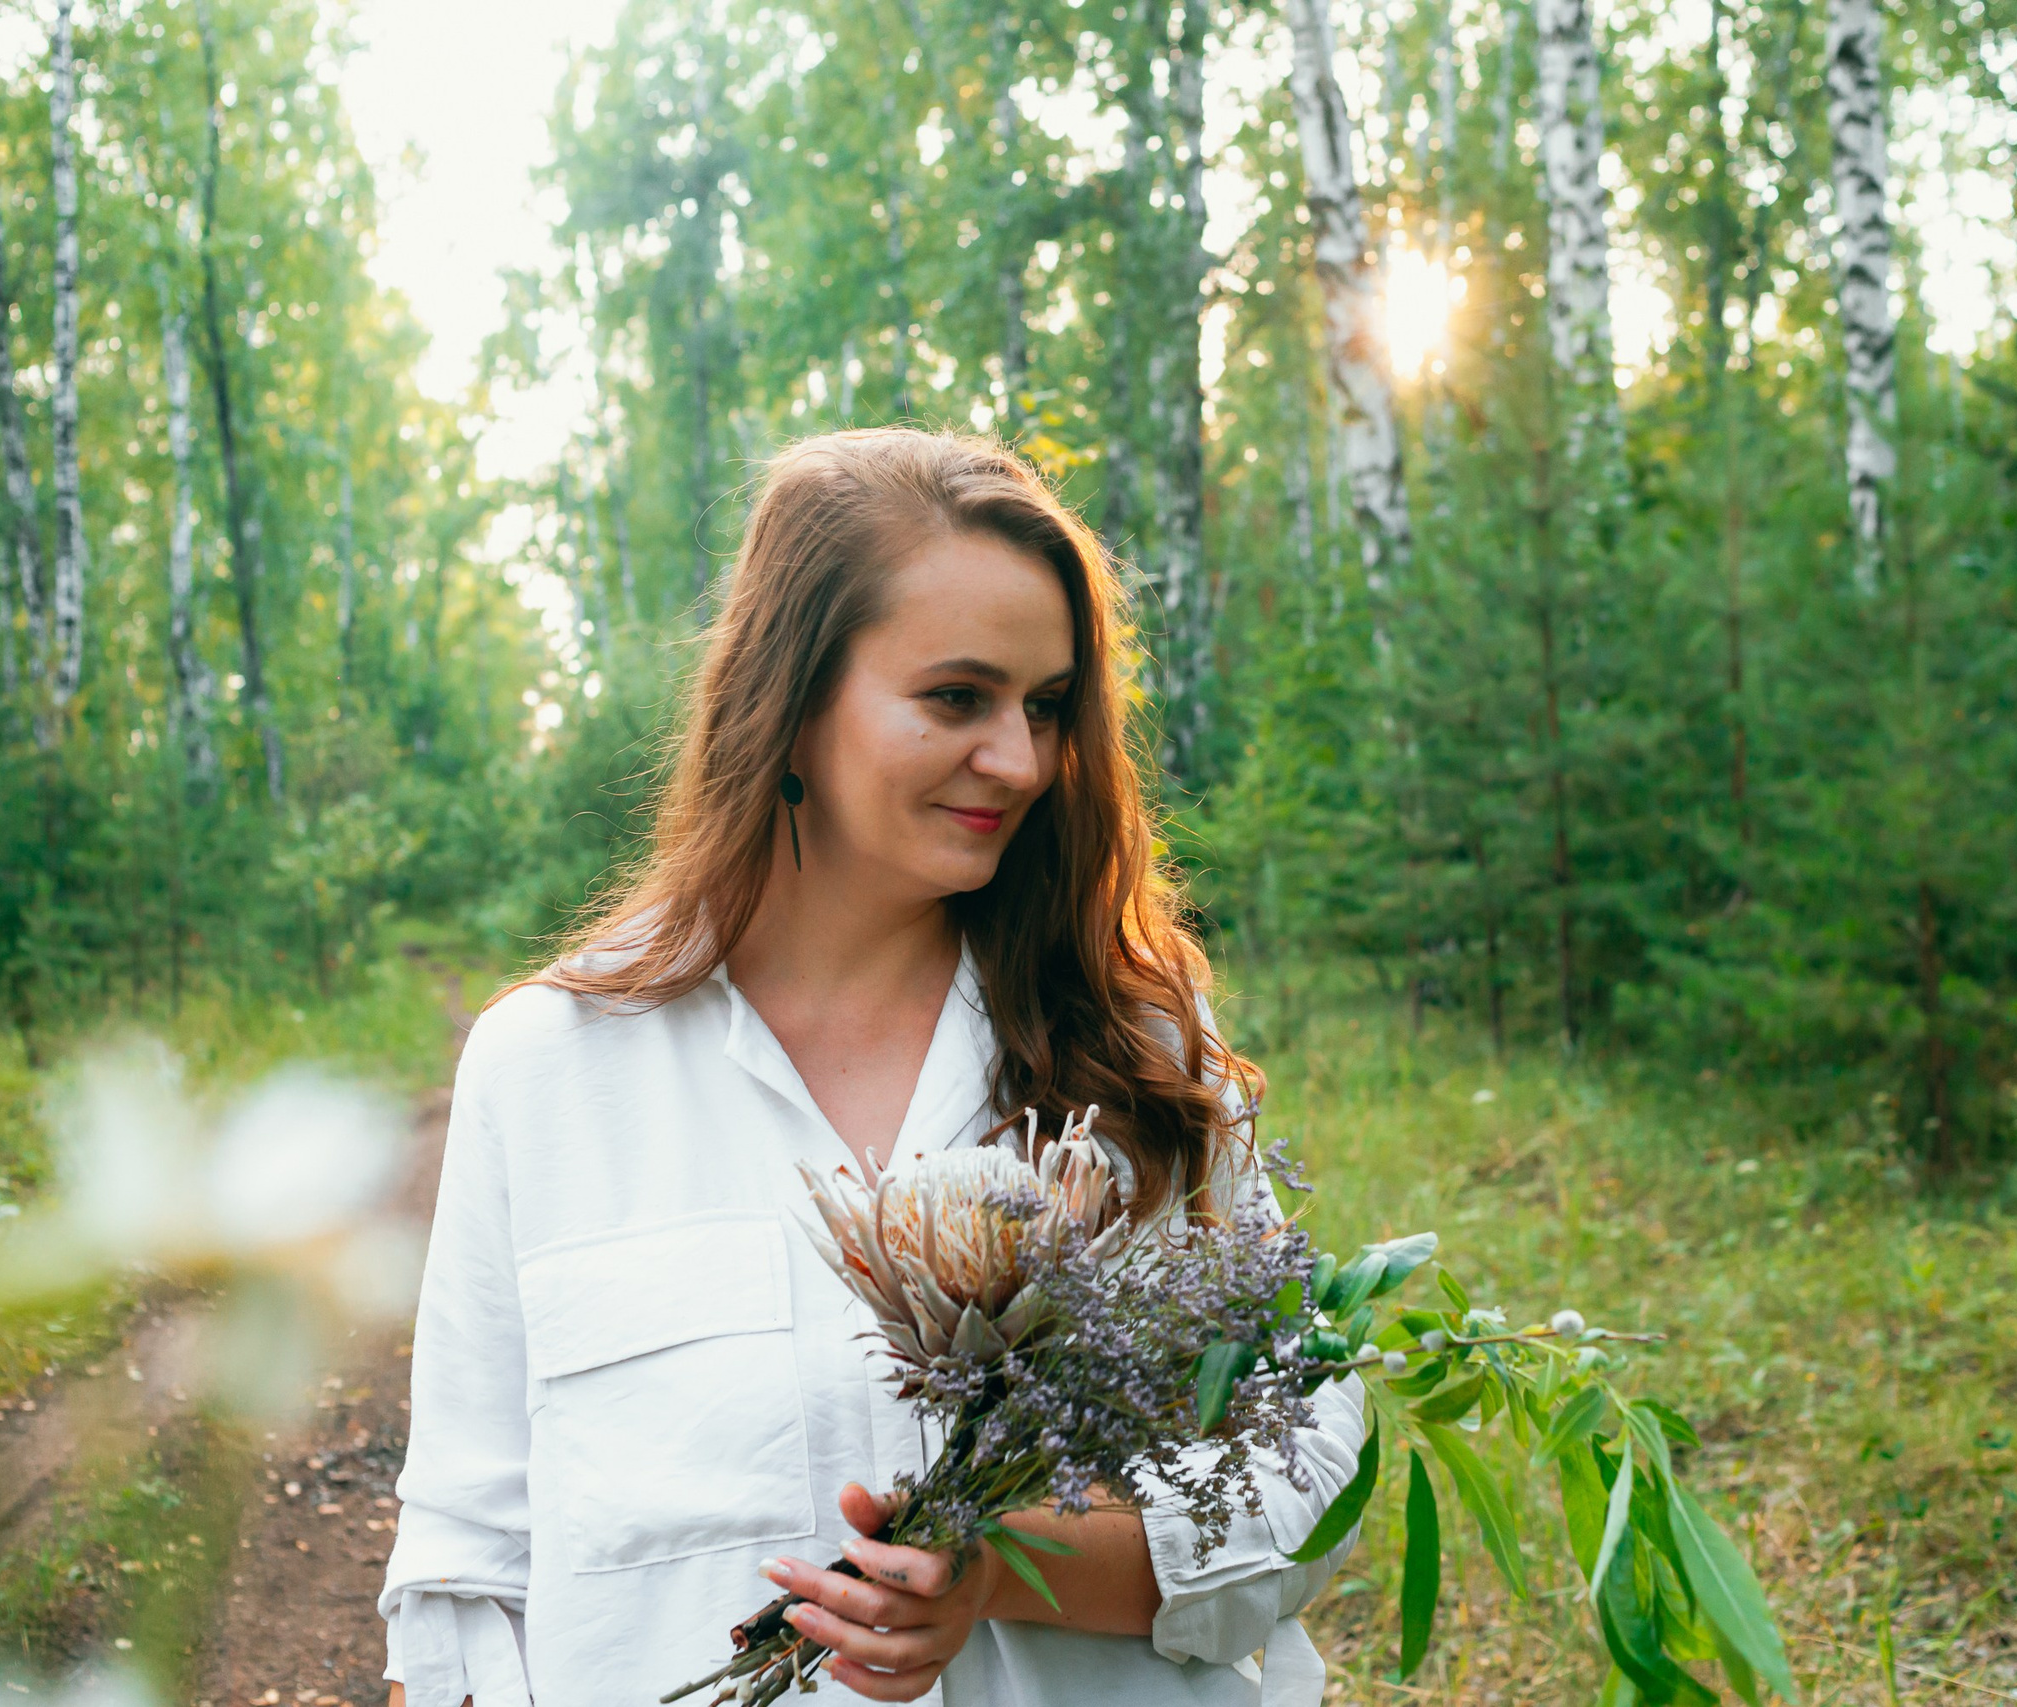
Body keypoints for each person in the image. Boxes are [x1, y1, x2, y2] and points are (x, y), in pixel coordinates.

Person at [379, 428, 1368, 1707]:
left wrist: (995, 1571)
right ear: (790, 703)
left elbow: (1306, 1472)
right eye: (957, 698)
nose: (1019, 759)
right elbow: (467, 1574)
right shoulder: (550, 1071)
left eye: (1048, 706)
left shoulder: (1137, 1050)